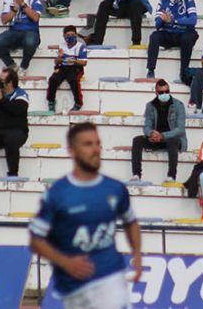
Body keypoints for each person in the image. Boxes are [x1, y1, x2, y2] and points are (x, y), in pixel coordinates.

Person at [29, 122, 142, 309]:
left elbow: (130, 222)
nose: (96, 149)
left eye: (98, 143)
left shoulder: (115, 189)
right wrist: (65, 262)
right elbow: (36, 240)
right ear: (72, 151)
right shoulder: (58, 194)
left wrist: (136, 254)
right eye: (88, 144)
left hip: (110, 278)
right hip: (74, 289)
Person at [130, 79, 187, 183]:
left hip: (172, 139)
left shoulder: (179, 105)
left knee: (172, 141)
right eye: (161, 92)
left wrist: (163, 135)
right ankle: (136, 174)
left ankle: (171, 176)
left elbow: (180, 129)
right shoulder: (150, 106)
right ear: (156, 93)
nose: (164, 94)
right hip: (156, 139)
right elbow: (147, 126)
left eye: (167, 91)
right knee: (137, 140)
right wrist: (151, 134)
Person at [146, 0, 198, 84]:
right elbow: (157, 24)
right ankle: (151, 70)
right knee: (154, 36)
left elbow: (193, 20)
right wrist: (162, 19)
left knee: (188, 38)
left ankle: (184, 71)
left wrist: (173, 20)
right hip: (169, 34)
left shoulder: (189, 0)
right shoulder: (163, 2)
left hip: (184, 34)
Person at [0, 0, 43, 76]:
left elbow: (35, 17)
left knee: (30, 42)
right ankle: (11, 65)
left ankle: (24, 66)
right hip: (14, 31)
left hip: (31, 31)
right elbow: (4, 20)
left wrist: (22, 4)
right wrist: (14, 9)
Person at [47, 25, 88, 113]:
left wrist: (74, 61)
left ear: (76, 35)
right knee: (53, 79)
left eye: (72, 34)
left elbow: (84, 62)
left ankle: (78, 102)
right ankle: (51, 101)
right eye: (67, 35)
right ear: (64, 36)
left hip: (75, 67)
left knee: (73, 79)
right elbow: (56, 62)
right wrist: (60, 57)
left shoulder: (81, 46)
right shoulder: (62, 46)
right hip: (62, 67)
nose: (70, 37)